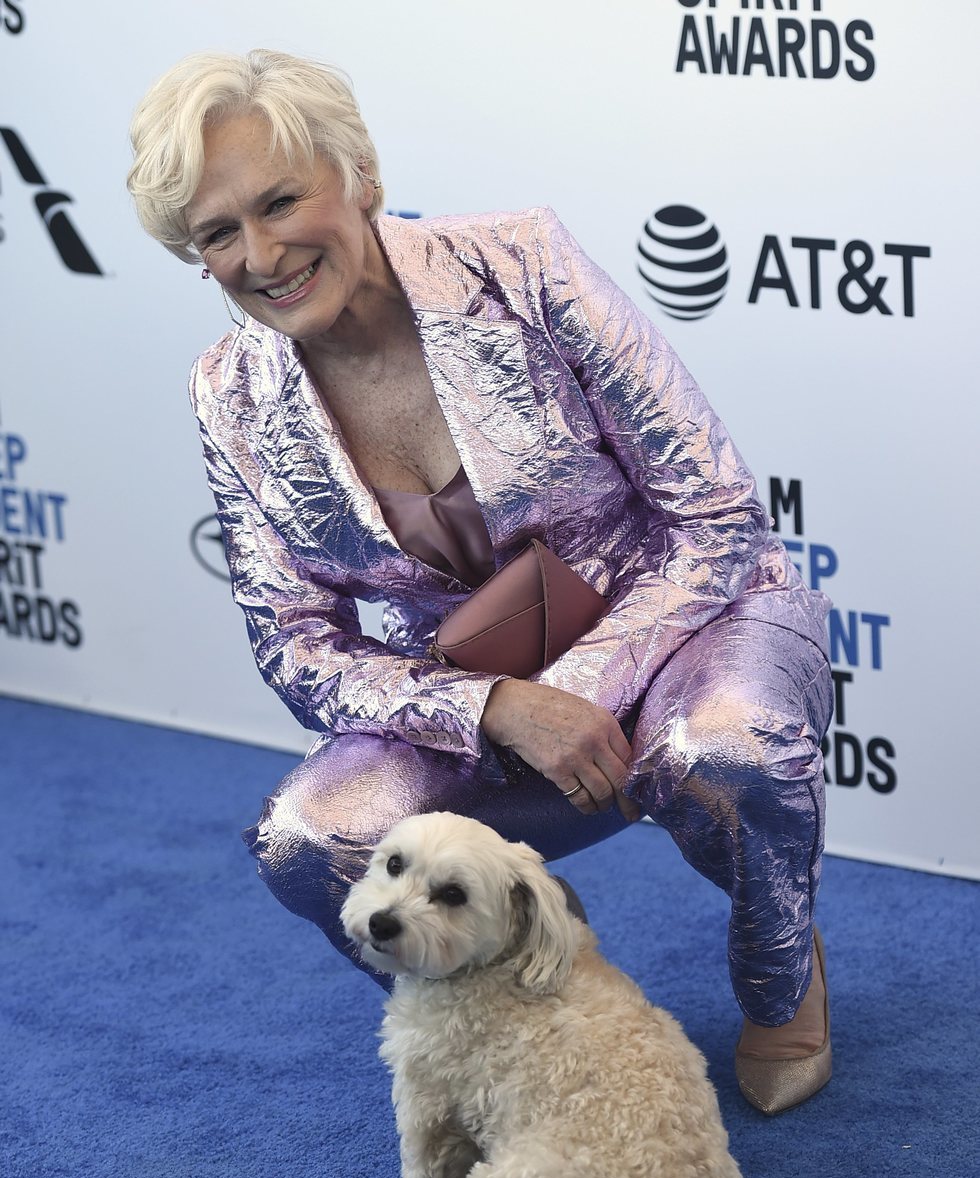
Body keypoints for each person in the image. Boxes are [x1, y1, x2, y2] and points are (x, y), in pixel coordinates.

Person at [128, 49, 834, 1115]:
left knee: (723, 754)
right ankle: (521, 1004)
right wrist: (497, 707)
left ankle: (781, 976)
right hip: (482, 701)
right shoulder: (228, 393)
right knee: (311, 842)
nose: (261, 254)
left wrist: (579, 692)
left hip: (691, 613)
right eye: (218, 233)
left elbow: (715, 515)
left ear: (356, 172)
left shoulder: (520, 261)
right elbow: (295, 644)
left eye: (280, 201)